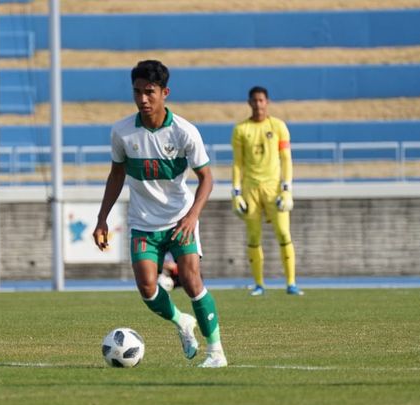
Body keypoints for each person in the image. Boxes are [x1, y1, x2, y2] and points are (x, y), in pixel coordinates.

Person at [93, 60, 227, 368]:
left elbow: (206, 178)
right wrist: (102, 218)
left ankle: (216, 352)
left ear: (165, 92)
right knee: (147, 289)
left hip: (180, 219)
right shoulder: (123, 132)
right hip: (143, 223)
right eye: (137, 92)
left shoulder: (184, 132)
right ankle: (182, 322)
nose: (143, 99)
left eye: (149, 92)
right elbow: (116, 176)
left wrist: (193, 215)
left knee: (193, 281)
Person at [230, 86, 303, 297]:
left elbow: (286, 159)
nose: (258, 104)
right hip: (250, 188)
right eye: (254, 100)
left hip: (273, 189)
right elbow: (237, 163)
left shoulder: (279, 126)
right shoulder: (241, 129)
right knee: (253, 236)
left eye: (261, 100)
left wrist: (287, 189)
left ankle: (291, 283)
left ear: (267, 102)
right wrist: (236, 192)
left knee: (283, 233)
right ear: (249, 103)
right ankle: (259, 284)